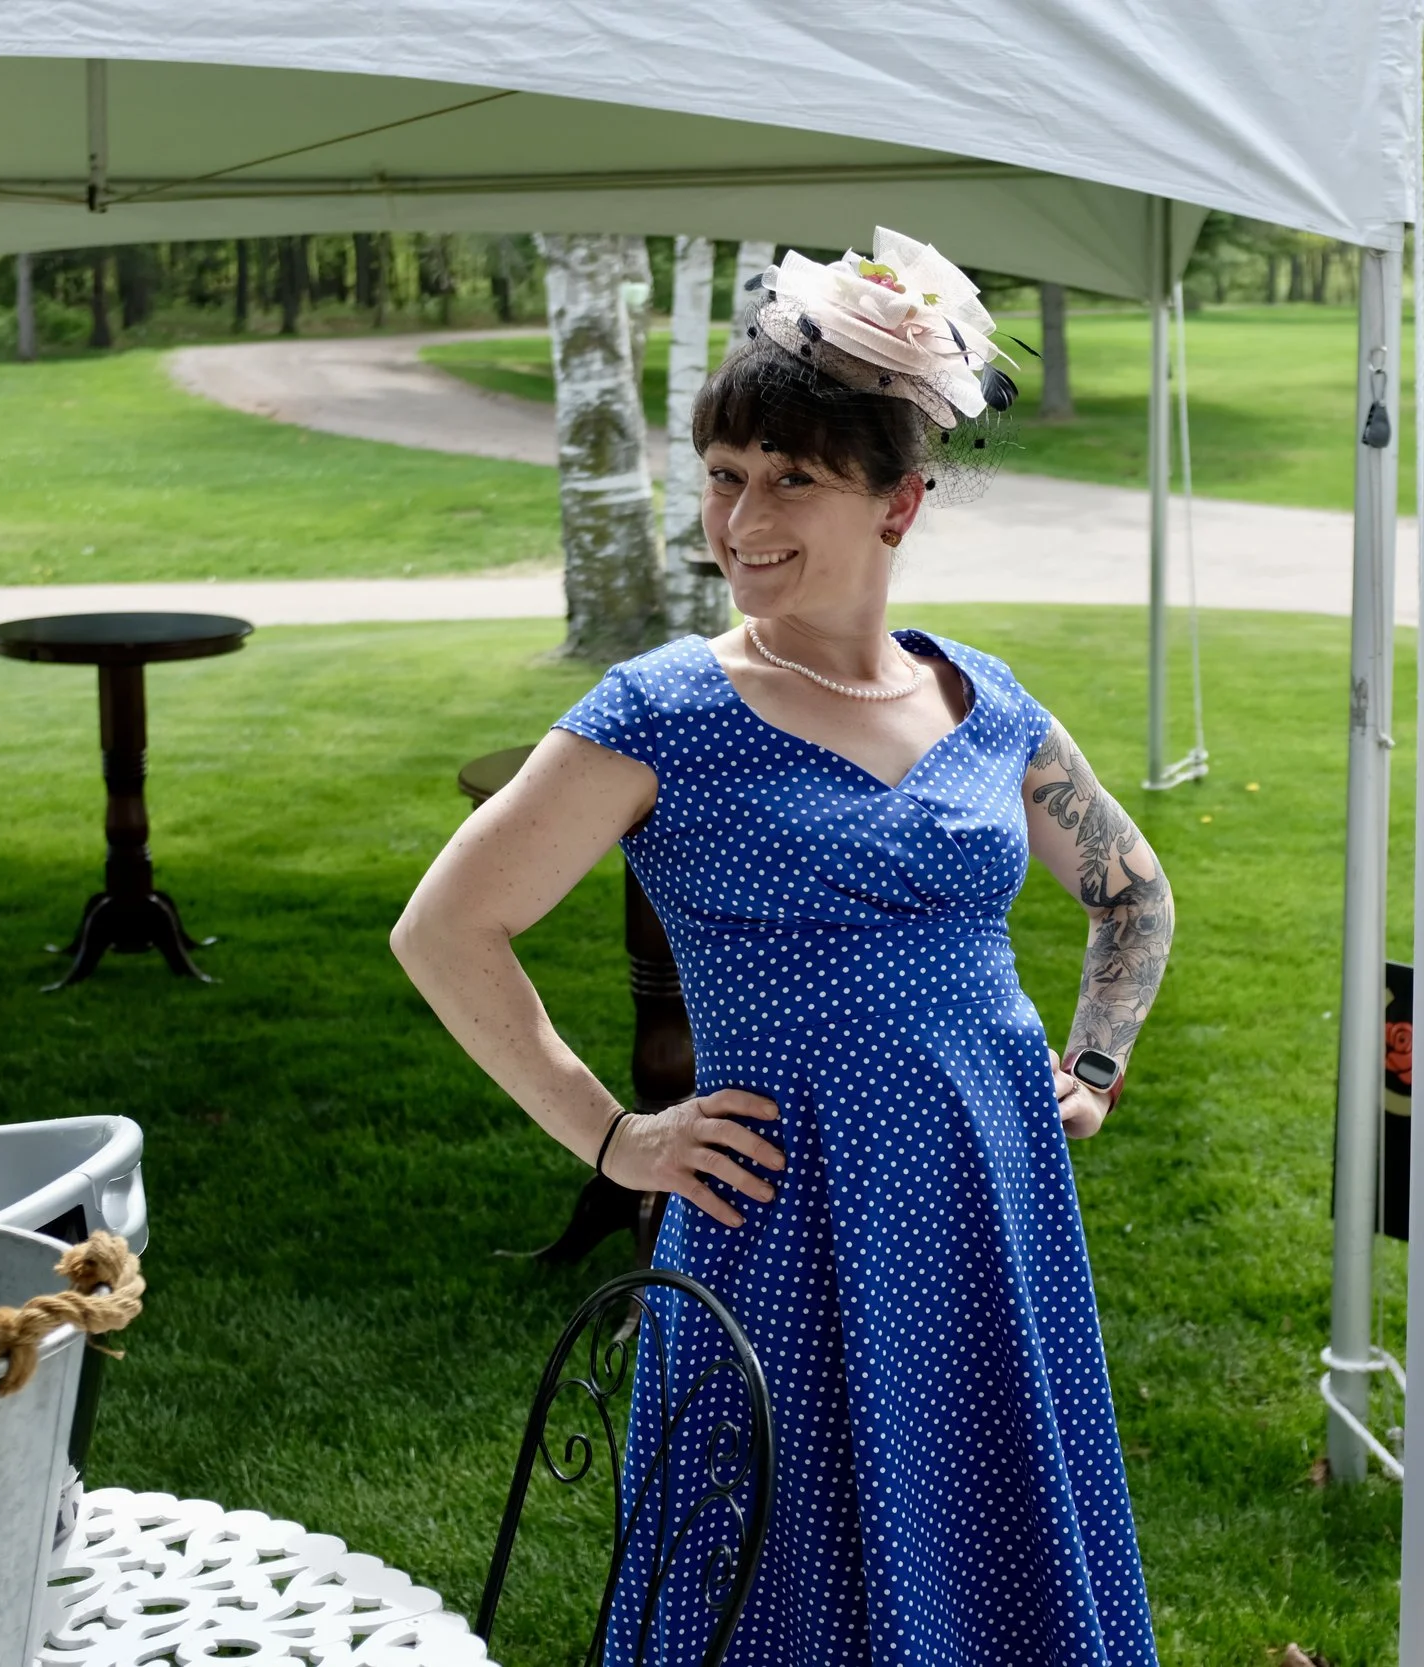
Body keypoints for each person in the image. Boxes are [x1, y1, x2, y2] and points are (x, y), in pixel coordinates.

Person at [393, 229, 1171, 1667]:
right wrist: (614, 1137)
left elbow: (1134, 896)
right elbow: (446, 929)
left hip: (983, 1206)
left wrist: (1095, 1068)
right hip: (781, 1217)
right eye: (722, 475)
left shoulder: (984, 704)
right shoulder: (664, 714)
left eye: (791, 479)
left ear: (899, 503)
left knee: (986, 1531)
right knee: (775, 1571)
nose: (741, 517)